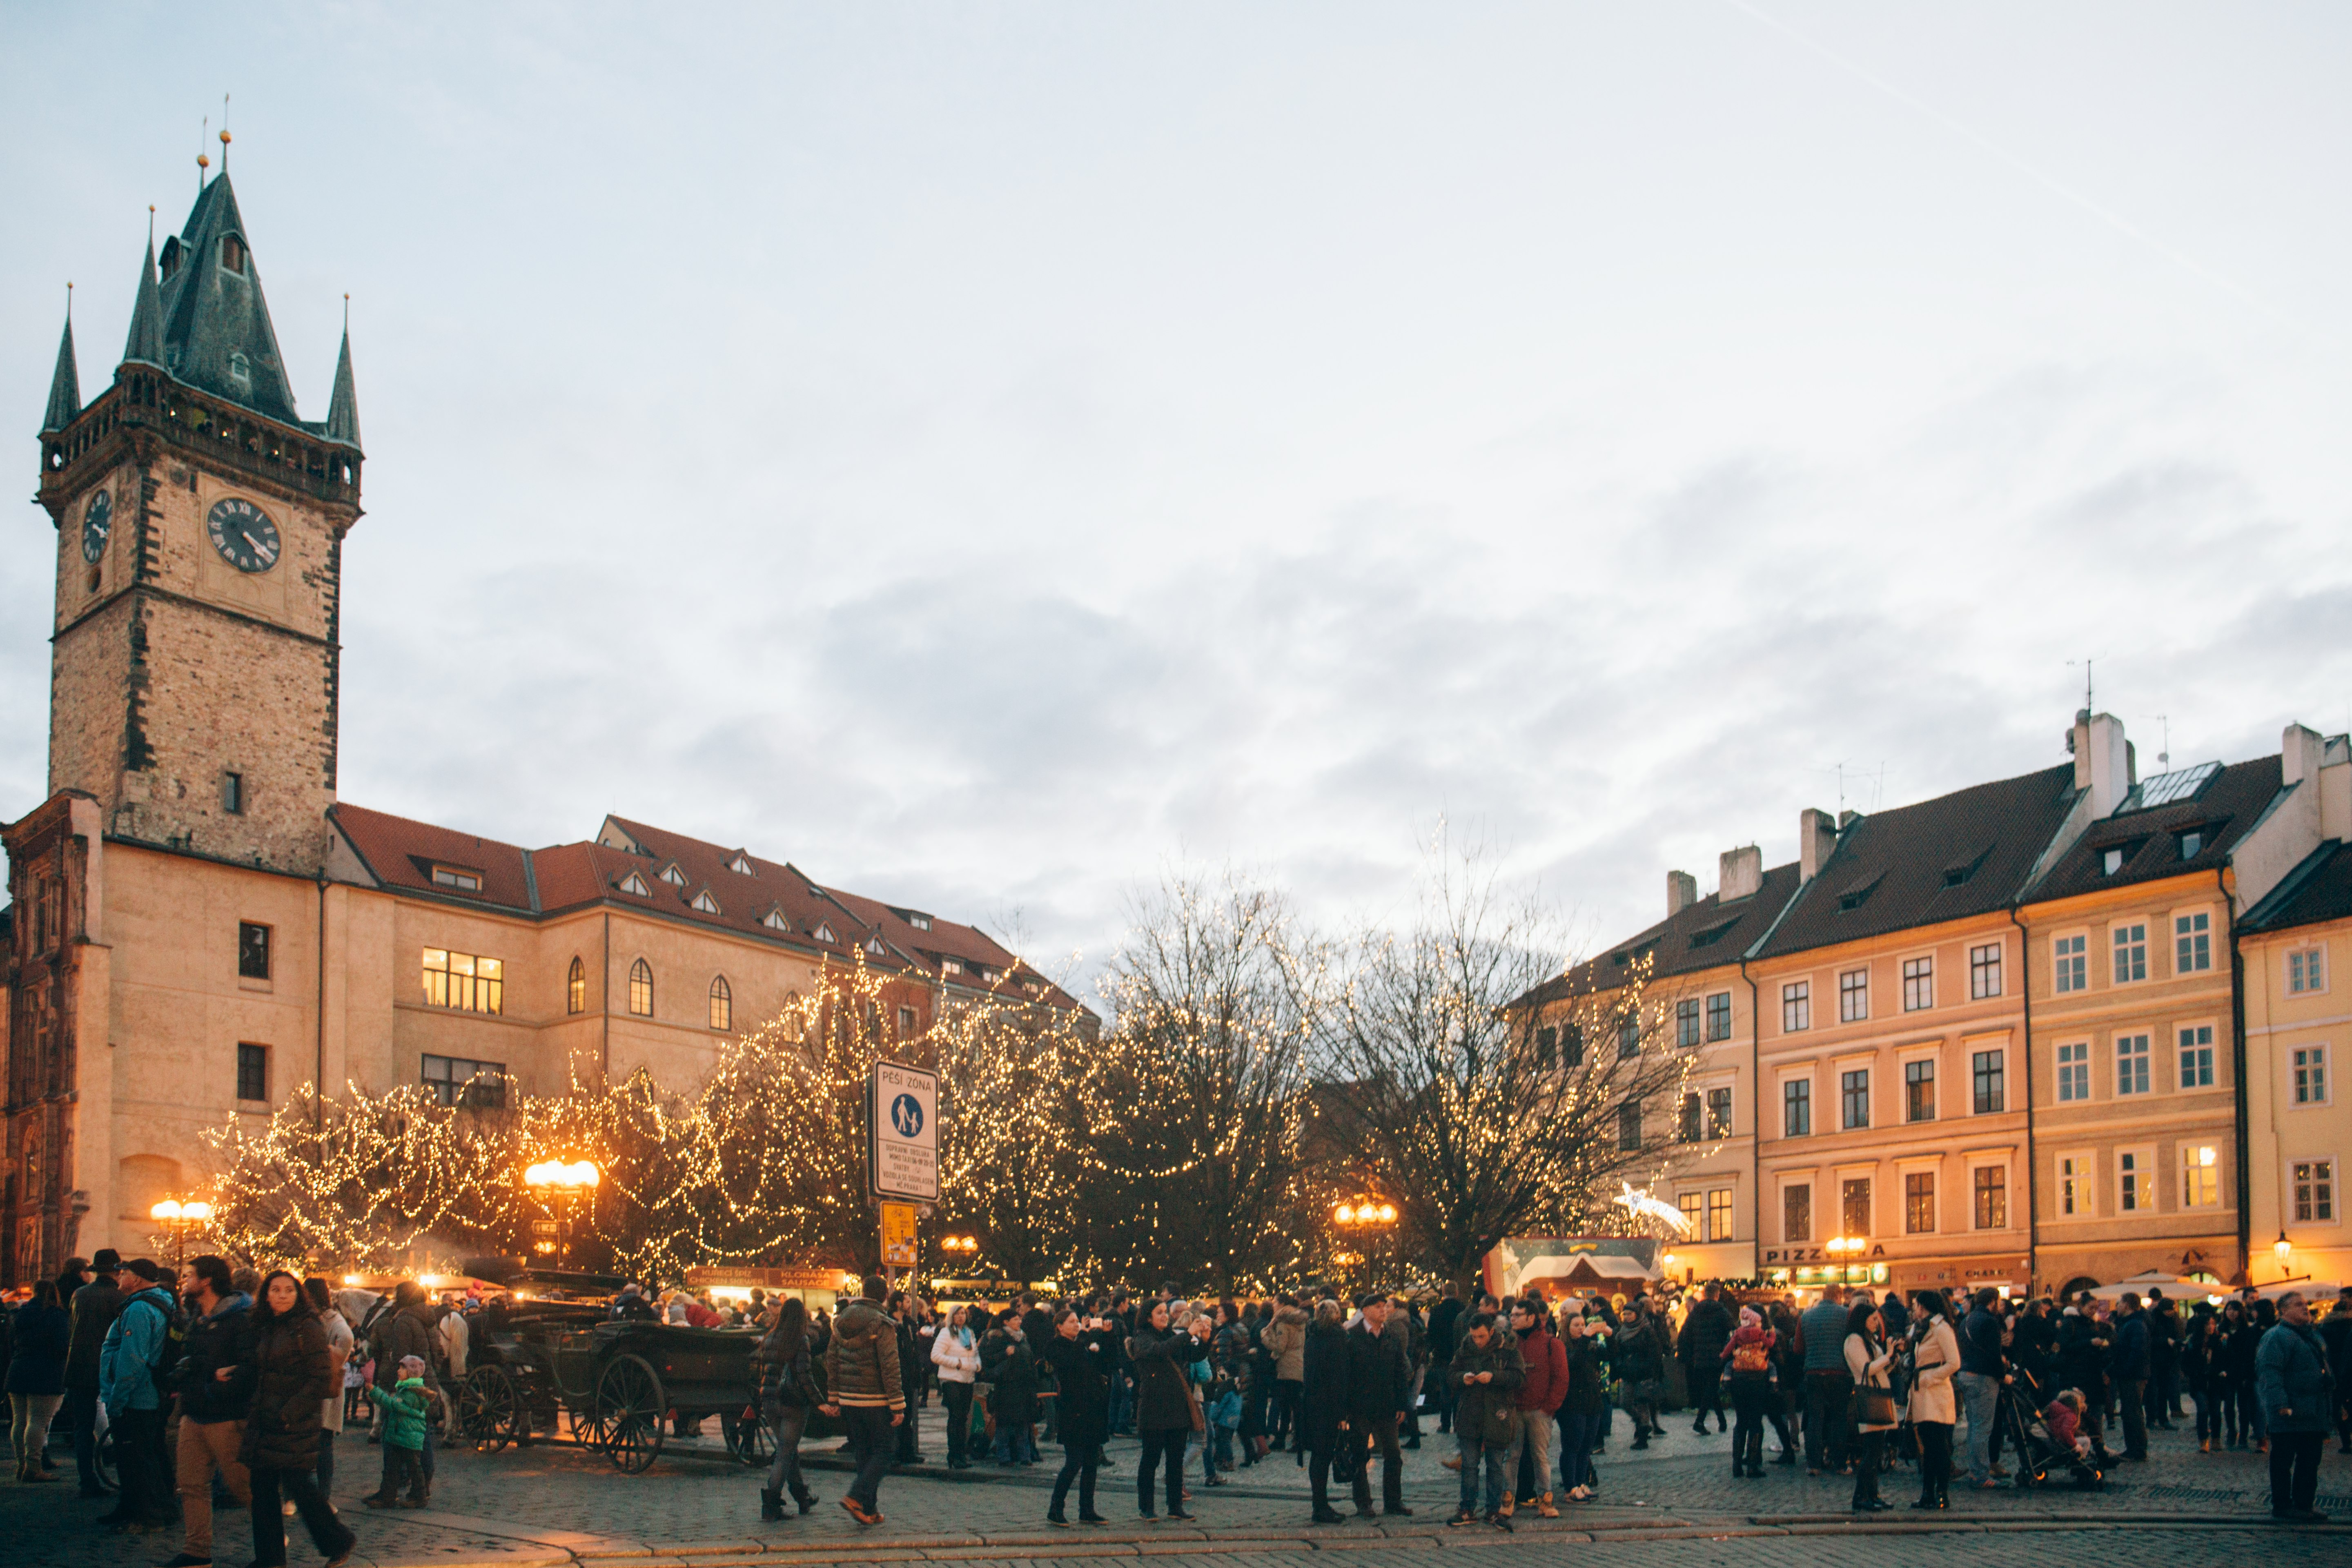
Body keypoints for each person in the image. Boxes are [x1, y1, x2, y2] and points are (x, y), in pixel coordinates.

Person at [243, 1270, 358, 1568]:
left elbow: (319, 1378)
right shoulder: (264, 1325)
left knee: (300, 1487)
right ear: (266, 1294)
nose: (282, 1296)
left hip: (292, 1421)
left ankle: (338, 1539)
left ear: (299, 1295)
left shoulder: (307, 1327)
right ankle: (270, 1559)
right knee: (265, 1492)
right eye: (276, 1290)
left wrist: (288, 1413)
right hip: (264, 1419)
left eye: (289, 1291)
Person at [171, 1253, 258, 1568]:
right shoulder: (196, 1315)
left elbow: (249, 1368)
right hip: (193, 1412)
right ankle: (197, 1552)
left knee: (243, 1486)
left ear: (206, 1280)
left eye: (189, 1274)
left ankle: (273, 1542)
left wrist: (217, 1382)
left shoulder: (240, 1318)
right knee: (191, 1483)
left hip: (226, 1415)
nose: (184, 1280)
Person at [820, 1274, 904, 1526]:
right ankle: (855, 1496)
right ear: (885, 1296)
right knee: (885, 1450)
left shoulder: (841, 1322)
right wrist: (898, 1404)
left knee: (864, 1452)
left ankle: (869, 1508)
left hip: (849, 1400)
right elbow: (890, 1366)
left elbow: (831, 1361)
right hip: (876, 1399)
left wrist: (834, 1398)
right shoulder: (882, 1324)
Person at [2256, 1291, 2332, 1524]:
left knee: (2310, 1461)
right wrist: (2280, 1405)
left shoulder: (2312, 1335)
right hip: (2288, 1413)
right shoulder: (2277, 1337)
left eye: (2305, 1304)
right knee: (2283, 1461)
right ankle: (2282, 1505)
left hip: (2313, 1411)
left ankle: (2304, 1505)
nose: (2305, 1308)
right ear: (2283, 1311)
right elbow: (2270, 1372)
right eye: (2298, 1305)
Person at [1445, 1311, 1523, 1530]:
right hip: (1470, 1414)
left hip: (1498, 1416)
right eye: (1474, 1336)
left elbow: (1519, 1378)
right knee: (1469, 1465)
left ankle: (1493, 1511)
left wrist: (1494, 1377)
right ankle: (1467, 1509)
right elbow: (1450, 1375)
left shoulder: (1507, 1350)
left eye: (1481, 1336)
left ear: (1491, 1332)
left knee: (1496, 1465)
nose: (1477, 1341)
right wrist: (1462, 1378)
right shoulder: (1465, 1350)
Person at [1339, 1292, 1411, 1519]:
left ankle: (1393, 1501)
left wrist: (1402, 1404)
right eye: (1379, 1307)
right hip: (1360, 1406)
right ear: (1366, 1310)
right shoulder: (1351, 1337)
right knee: (1360, 1455)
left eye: (1385, 1307)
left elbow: (1400, 1372)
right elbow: (1345, 1375)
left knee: (1393, 1454)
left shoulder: (1391, 1337)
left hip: (1387, 1405)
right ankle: (1363, 1503)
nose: (1384, 1310)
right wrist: (1345, 1410)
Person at [1041, 1305, 1115, 1526]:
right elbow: (1067, 1364)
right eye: (1072, 1322)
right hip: (1073, 1410)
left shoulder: (1081, 1347)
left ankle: (1087, 1509)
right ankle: (1056, 1508)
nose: (1077, 1325)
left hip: (1092, 1409)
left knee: (1092, 1462)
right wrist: (1084, 1336)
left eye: (1078, 1321)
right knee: (1074, 1462)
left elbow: (1106, 1363)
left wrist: (1108, 1337)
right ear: (1060, 1326)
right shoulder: (1056, 1346)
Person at [369, 1282, 443, 1500]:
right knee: (424, 1433)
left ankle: (394, 1486)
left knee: (391, 1436)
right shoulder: (429, 1320)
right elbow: (437, 1353)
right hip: (428, 1382)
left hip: (408, 1387)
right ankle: (423, 1484)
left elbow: (400, 1359)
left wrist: (393, 1388)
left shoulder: (404, 1321)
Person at [1126, 1297, 1193, 1521]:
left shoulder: (1169, 1335)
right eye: (1159, 1312)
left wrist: (1204, 1338)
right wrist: (1187, 1334)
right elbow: (1159, 1352)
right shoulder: (1142, 1339)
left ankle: (1175, 1506)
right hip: (1154, 1408)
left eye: (1166, 1312)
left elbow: (1192, 1355)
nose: (1165, 1316)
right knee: (1151, 1459)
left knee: (1176, 1460)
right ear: (1148, 1317)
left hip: (1176, 1407)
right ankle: (1146, 1507)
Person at [64, 1250, 124, 1497]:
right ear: (116, 1271)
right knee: (119, 1422)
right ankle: (123, 1475)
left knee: (82, 1427)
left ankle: (86, 1480)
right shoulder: (119, 1297)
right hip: (107, 1368)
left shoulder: (80, 1294)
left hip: (78, 1367)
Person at [755, 1296, 821, 1520]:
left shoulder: (770, 1338)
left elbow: (762, 1370)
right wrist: (819, 1401)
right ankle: (771, 1504)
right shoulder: (799, 1340)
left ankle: (803, 1497)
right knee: (785, 1453)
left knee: (788, 1450)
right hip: (792, 1403)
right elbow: (805, 1376)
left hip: (770, 1401)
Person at [1507, 1297, 1565, 1516]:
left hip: (1539, 1412)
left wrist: (1548, 1409)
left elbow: (1561, 1380)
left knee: (1540, 1457)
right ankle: (1507, 1501)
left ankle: (1546, 1501)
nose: (1512, 1318)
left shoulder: (1552, 1344)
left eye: (1517, 1315)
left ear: (1531, 1318)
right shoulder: (1510, 1344)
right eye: (1511, 1315)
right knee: (1512, 1457)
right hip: (1515, 1410)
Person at [7, 1279, 69, 1482]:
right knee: (37, 1422)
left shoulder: (19, 1314)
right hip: (46, 1371)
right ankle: (33, 1467)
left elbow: (10, 1342)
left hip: (18, 1368)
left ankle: (21, 1465)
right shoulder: (57, 1316)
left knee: (19, 1421)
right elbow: (62, 1345)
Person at [1906, 1289, 1960, 1510]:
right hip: (1922, 1392)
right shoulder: (1921, 1329)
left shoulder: (1942, 1329)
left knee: (1939, 1446)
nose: (1914, 1309)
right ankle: (1927, 1492)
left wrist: (1931, 1377)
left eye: (1916, 1305)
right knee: (1927, 1446)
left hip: (1935, 1393)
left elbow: (1954, 1363)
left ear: (1924, 1307)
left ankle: (1942, 1493)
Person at [1299, 1299, 1350, 1523]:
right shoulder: (1338, 1339)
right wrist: (1343, 1412)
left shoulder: (1312, 1339)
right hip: (1330, 1405)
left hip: (1313, 1404)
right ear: (1337, 1316)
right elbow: (1340, 1377)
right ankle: (1321, 1506)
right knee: (1324, 1455)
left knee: (1318, 1456)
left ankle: (1319, 1502)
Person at [1845, 1302, 1897, 1513]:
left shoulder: (1869, 1340)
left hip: (1878, 1396)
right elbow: (1867, 1370)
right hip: (1869, 1398)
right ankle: (1861, 1496)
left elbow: (1881, 1370)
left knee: (1876, 1450)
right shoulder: (1854, 1340)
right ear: (1862, 1320)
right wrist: (1888, 1355)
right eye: (1873, 1319)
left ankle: (1873, 1495)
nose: (1877, 1323)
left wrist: (1892, 1358)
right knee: (1871, 1451)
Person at [305, 1280, 353, 1503]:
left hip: (323, 1389)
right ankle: (313, 1496)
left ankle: (321, 1497)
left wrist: (330, 1354)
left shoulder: (332, 1321)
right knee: (313, 1445)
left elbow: (346, 1339)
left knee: (322, 1444)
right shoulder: (321, 1318)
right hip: (311, 1389)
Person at [1797, 1284, 1851, 1475]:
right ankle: (1840, 1464)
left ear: (1823, 1295)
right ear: (1839, 1296)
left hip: (1813, 1373)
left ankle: (1814, 1464)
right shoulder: (1846, 1314)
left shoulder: (1806, 1317)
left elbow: (1798, 1348)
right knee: (1839, 1419)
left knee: (1815, 1419)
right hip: (1839, 1373)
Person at [364, 1356, 432, 1507]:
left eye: (402, 1368)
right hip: (400, 1436)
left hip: (407, 1437)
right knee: (392, 1469)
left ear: (411, 1372)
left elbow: (394, 1406)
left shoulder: (410, 1392)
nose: (398, 1371)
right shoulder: (405, 1389)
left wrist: (375, 1392)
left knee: (413, 1469)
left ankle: (419, 1498)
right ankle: (389, 1498)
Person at [1720, 1304, 1777, 1479]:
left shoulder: (1737, 1333)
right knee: (1755, 1423)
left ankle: (1737, 1466)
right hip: (1759, 1380)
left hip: (1739, 1380)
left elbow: (1727, 1354)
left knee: (1741, 1423)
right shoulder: (1763, 1333)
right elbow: (1772, 1348)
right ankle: (1753, 1466)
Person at [1556, 1310, 1607, 1503]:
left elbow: (1610, 1355)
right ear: (1567, 1329)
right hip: (1572, 1404)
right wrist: (1586, 1337)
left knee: (1586, 1447)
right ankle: (1571, 1487)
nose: (1580, 1328)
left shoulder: (1590, 1345)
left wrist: (1609, 1336)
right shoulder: (1563, 1347)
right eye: (1576, 1325)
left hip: (1592, 1403)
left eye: (1582, 1324)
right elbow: (1574, 1363)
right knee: (1572, 1446)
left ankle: (1581, 1482)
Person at [981, 1307, 1041, 1466]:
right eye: (1016, 1320)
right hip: (1006, 1387)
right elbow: (989, 1360)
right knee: (1005, 1425)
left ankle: (1025, 1456)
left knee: (1024, 1423)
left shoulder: (1023, 1338)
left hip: (1024, 1388)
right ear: (1006, 1322)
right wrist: (1004, 1354)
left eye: (1020, 1319)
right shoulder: (999, 1338)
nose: (1020, 1322)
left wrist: (1034, 1382)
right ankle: (1004, 1457)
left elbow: (1030, 1361)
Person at [1678, 1284, 1733, 1437]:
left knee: (1710, 1388)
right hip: (1717, 1355)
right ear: (1717, 1295)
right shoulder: (1722, 1311)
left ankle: (1722, 1422)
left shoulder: (1696, 1311)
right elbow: (1732, 1328)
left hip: (1699, 1356)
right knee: (1712, 1387)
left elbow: (1685, 1332)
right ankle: (1700, 1421)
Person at [931, 1304, 980, 1470]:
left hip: (967, 1378)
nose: (961, 1317)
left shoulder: (969, 1333)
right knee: (956, 1416)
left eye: (963, 1314)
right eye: (958, 1314)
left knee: (963, 1418)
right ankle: (954, 1453)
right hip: (951, 1379)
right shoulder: (946, 1333)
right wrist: (957, 1364)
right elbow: (936, 1355)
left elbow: (975, 1353)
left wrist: (977, 1365)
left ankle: (960, 1454)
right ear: (952, 1316)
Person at [2109, 1292, 2150, 1463]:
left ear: (2126, 1305)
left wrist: (2125, 1370)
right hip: (2131, 1374)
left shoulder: (2135, 1325)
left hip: (2133, 1375)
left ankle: (2137, 1449)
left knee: (2132, 1411)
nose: (2117, 1306)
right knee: (2129, 1411)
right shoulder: (2129, 1324)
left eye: (2119, 1303)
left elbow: (2136, 1352)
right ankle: (2133, 1448)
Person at [2318, 1287, 2352, 1455]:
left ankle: (2347, 1442)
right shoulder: (2350, 1325)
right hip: (2348, 1368)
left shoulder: (2325, 1326)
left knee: (2338, 1405)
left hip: (2334, 1369)